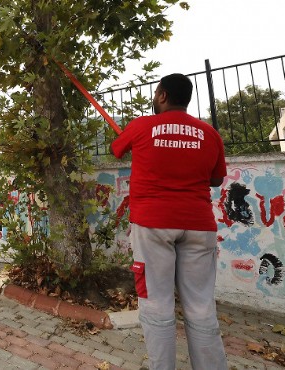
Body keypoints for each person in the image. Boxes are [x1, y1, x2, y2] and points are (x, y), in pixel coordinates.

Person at [110, 73, 228, 370]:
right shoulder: (209, 133)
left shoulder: (142, 126)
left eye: (155, 94)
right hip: (199, 226)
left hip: (153, 227)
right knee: (201, 307)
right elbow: (216, 179)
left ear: (162, 95)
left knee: (156, 304)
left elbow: (115, 150)